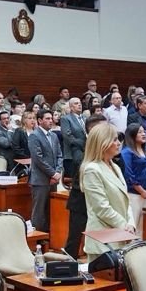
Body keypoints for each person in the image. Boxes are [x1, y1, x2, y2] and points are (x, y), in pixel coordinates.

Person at [80, 122, 133, 256]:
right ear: (102, 143)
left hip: (121, 236)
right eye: (114, 140)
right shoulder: (92, 169)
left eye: (118, 139)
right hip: (102, 241)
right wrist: (124, 226)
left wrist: (130, 224)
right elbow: (101, 208)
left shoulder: (116, 167)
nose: (119, 143)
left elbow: (126, 201)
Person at [60, 97, 89, 257]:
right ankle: (70, 255)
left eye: (80, 103)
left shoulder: (84, 118)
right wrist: (83, 144)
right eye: (76, 104)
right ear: (70, 107)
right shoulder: (66, 119)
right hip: (73, 154)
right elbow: (68, 136)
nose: (79, 105)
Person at [28, 108, 62, 237]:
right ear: (39, 120)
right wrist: (53, 174)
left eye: (51, 118)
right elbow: (38, 159)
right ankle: (37, 239)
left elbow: (60, 155)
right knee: (39, 212)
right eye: (47, 119)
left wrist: (57, 172)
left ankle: (49, 237)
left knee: (51, 210)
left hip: (53, 180)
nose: (50, 121)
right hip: (40, 180)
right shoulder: (34, 136)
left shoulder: (54, 136)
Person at [120, 123, 146, 230]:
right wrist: (141, 191)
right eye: (139, 132)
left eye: (144, 131)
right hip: (134, 195)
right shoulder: (126, 152)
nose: (143, 134)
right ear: (132, 135)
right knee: (133, 226)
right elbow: (129, 174)